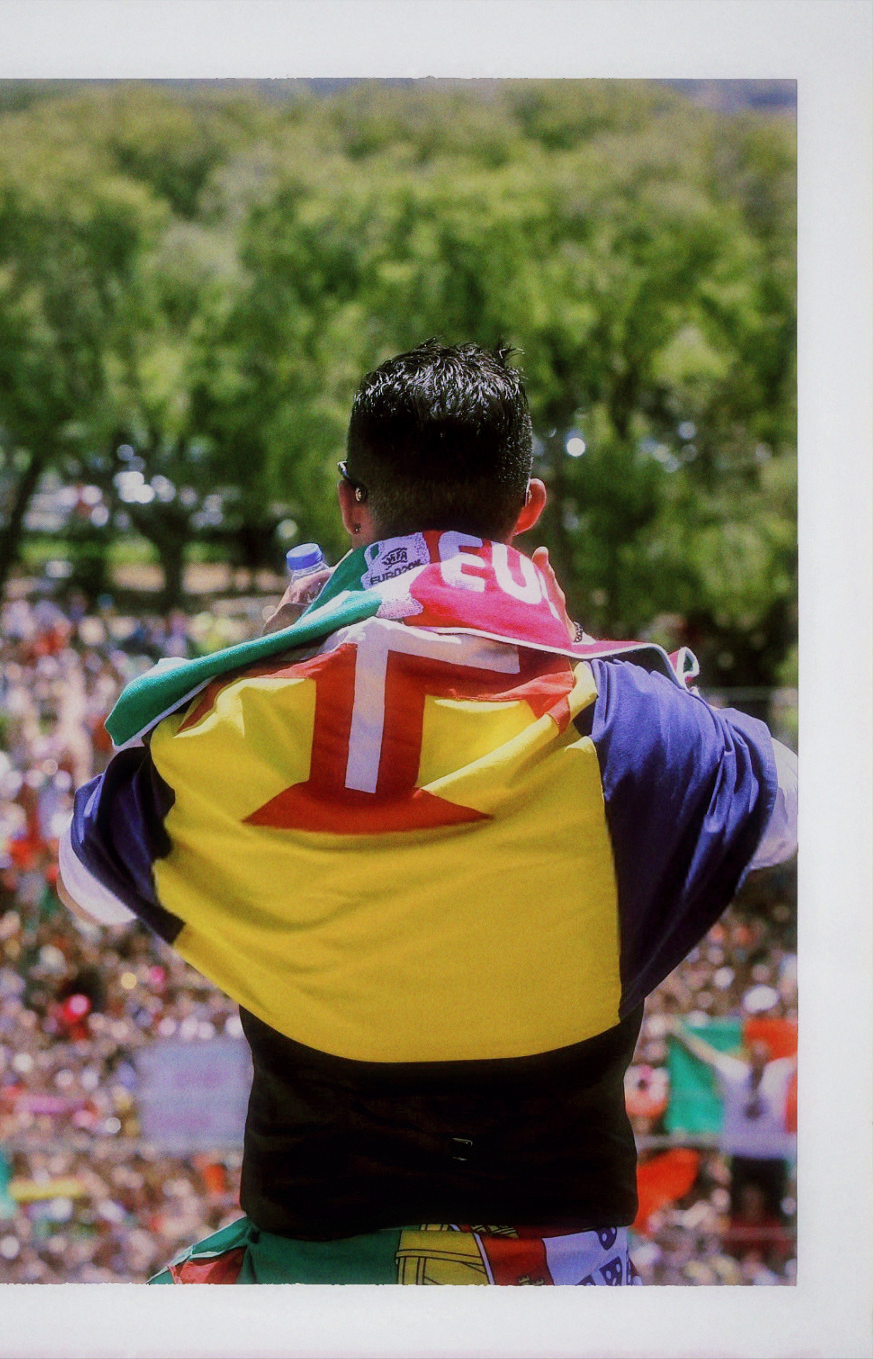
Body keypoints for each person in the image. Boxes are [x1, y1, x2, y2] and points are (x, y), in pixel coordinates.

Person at [57, 340, 798, 1285]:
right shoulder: (632, 726)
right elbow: (793, 805)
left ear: (348, 505)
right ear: (527, 508)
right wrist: (574, 647)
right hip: (559, 1298)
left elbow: (83, 883)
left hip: (313, 1292)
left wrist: (256, 662)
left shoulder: (214, 732)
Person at [669, 1020, 796, 1263]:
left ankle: (774, 1260)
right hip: (741, 1155)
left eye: (762, 1058)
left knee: (774, 1211)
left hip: (773, 1157)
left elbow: (801, 1058)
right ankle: (733, 1259)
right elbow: (705, 1055)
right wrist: (680, 1033)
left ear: (768, 1059)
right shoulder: (735, 1073)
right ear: (749, 1058)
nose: (758, 1063)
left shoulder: (778, 1073)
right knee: (736, 1210)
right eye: (754, 1057)